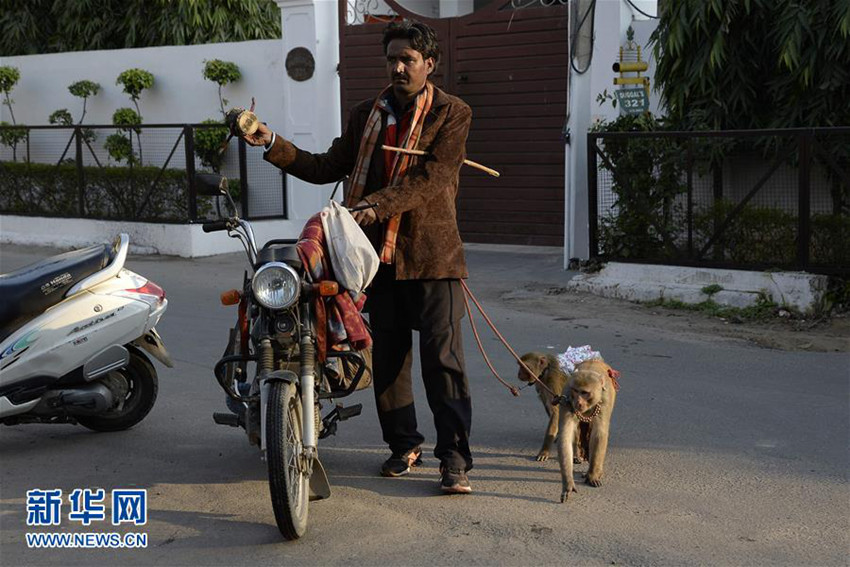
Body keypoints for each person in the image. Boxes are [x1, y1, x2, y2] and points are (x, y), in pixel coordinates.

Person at [240, 20, 474, 494]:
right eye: (392, 59)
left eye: (408, 59)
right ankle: (403, 444)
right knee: (387, 360)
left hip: (432, 257)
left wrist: (371, 205)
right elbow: (326, 166)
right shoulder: (366, 113)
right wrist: (271, 142)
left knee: (443, 363)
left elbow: (430, 180)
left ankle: (454, 459)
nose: (398, 66)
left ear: (430, 64)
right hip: (371, 259)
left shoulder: (452, 113)